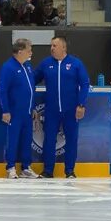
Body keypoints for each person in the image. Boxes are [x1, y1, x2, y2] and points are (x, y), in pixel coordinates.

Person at [34, 36, 90, 179]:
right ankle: (48, 171)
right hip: (52, 110)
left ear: (63, 48)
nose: (52, 48)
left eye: (55, 45)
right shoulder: (46, 64)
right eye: (51, 45)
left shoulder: (75, 64)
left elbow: (84, 84)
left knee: (71, 139)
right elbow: (32, 80)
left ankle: (70, 171)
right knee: (49, 139)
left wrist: (81, 104)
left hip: (71, 110)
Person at [0, 39, 37, 178]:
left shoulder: (27, 66)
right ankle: (10, 167)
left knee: (27, 140)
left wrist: (32, 108)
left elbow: (31, 88)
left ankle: (26, 167)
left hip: (27, 112)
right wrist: (6, 110)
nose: (31, 52)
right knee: (13, 140)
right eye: (29, 50)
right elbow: (2, 90)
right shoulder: (8, 67)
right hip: (14, 112)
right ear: (20, 51)